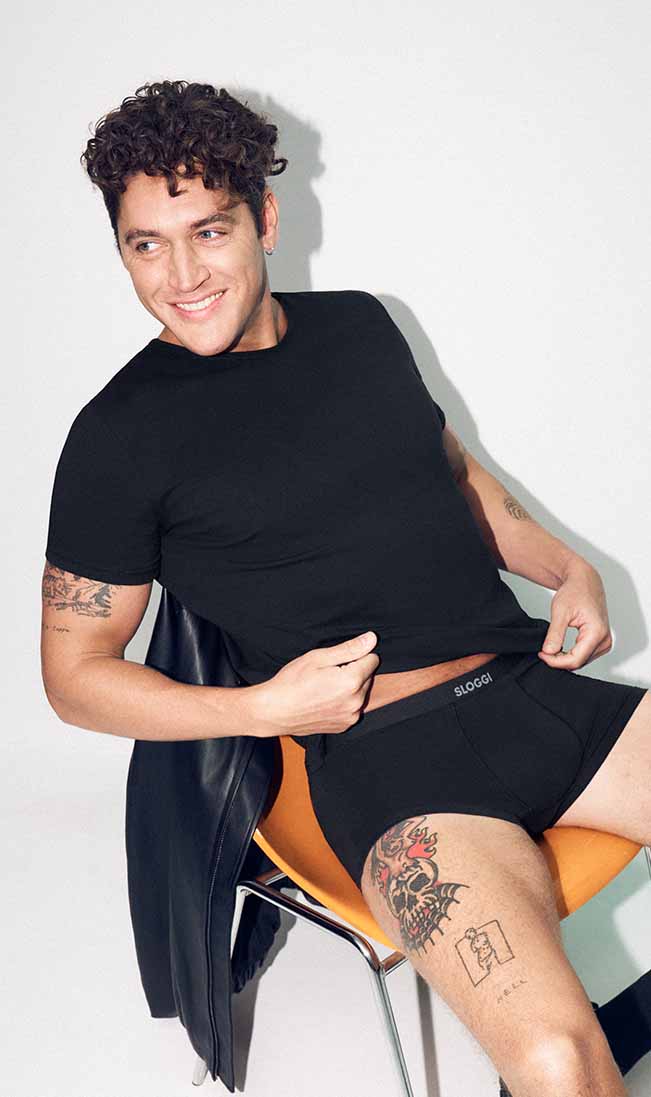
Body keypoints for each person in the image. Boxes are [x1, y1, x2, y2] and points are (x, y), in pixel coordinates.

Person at [41, 79, 650, 1097]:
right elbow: (74, 675)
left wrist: (566, 567)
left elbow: (454, 475)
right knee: (555, 1058)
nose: (182, 276)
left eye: (209, 231)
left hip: (536, 696)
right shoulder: (119, 437)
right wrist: (263, 707)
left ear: (266, 219)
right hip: (396, 770)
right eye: (147, 244)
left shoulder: (362, 328)